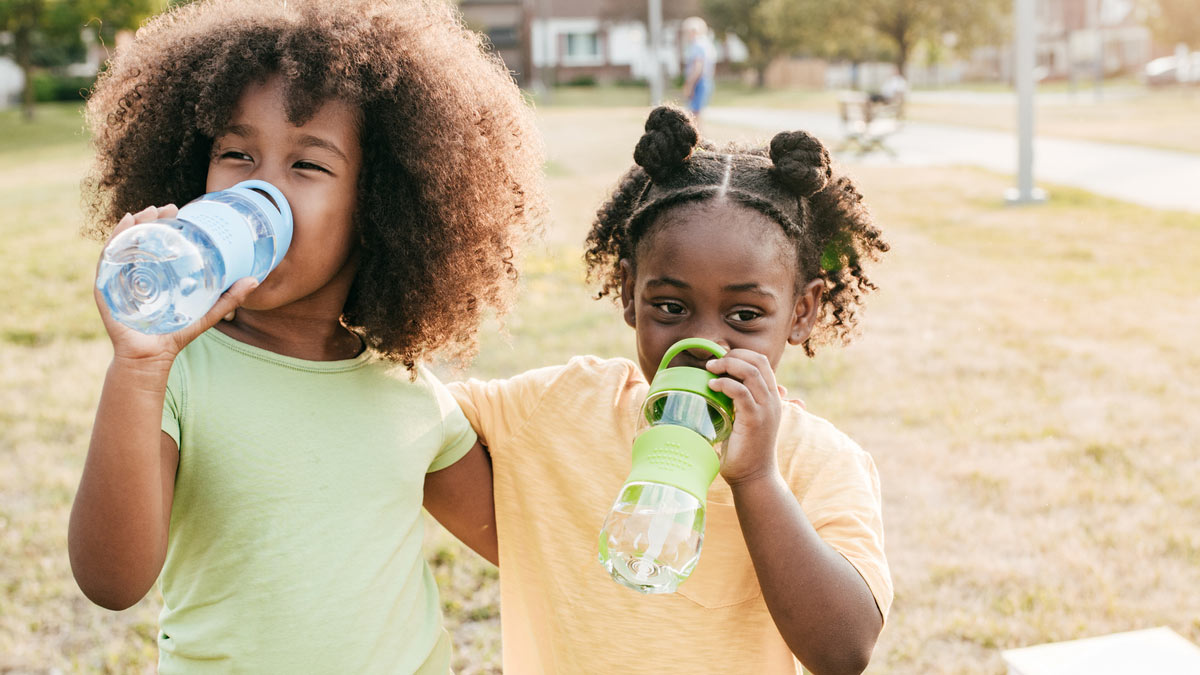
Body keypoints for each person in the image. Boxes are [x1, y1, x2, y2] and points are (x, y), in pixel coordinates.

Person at [67, 0, 544, 671]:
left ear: (382, 203)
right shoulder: (177, 373)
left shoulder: (405, 385)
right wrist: (138, 371)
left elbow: (523, 541)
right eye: (236, 153)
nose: (259, 188)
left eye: (308, 165)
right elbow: (110, 581)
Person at [451, 106, 892, 674]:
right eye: (671, 307)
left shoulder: (821, 462)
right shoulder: (559, 405)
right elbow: (419, 428)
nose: (705, 343)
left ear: (801, 312)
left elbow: (843, 651)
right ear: (631, 292)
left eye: (745, 314)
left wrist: (757, 478)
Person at [681, 16, 716, 122]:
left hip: (699, 82)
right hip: (705, 81)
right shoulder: (706, 44)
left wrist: (689, 85)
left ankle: (697, 138)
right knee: (697, 115)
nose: (686, 35)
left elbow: (698, 68)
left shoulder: (697, 45)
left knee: (693, 116)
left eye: (687, 32)